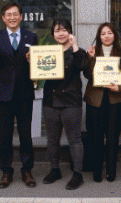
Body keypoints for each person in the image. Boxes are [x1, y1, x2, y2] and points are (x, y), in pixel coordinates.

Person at [0, 1, 39, 188]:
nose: (12, 17)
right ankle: (6, 171)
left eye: (15, 14)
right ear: (3, 18)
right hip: (3, 94)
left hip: (24, 93)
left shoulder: (31, 36)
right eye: (8, 14)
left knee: (26, 134)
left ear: (21, 17)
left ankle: (27, 170)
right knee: (5, 136)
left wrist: (32, 60)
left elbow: (38, 65)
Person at [41, 19, 87, 190]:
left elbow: (83, 66)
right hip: (50, 101)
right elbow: (38, 72)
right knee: (52, 139)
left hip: (71, 101)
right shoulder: (48, 52)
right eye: (57, 30)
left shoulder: (78, 51)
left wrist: (74, 46)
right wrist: (32, 60)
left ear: (70, 32)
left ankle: (78, 174)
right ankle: (55, 170)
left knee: (74, 139)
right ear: (53, 34)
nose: (61, 34)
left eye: (64, 30)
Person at [84, 22, 121, 183]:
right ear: (99, 36)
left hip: (115, 99)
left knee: (113, 137)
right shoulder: (93, 51)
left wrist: (119, 87)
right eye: (103, 33)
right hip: (95, 100)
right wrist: (91, 58)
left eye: (109, 33)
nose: (106, 36)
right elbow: (87, 74)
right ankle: (97, 171)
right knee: (95, 136)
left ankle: (111, 170)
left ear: (114, 35)